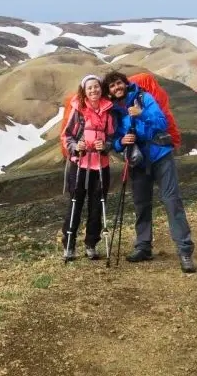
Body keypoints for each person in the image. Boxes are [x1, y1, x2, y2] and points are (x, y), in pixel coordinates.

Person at [103, 71, 197, 273]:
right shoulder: (115, 111)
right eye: (111, 86)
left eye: (118, 83)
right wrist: (121, 142)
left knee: (172, 201)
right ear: (109, 91)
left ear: (125, 83)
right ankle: (143, 247)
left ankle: (184, 251)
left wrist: (141, 113)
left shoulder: (143, 98)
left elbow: (161, 122)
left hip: (160, 155)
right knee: (141, 205)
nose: (116, 87)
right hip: (138, 161)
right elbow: (116, 139)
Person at [59, 74, 116, 260]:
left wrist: (105, 146)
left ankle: (91, 244)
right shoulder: (78, 109)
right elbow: (67, 136)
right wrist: (76, 147)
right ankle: (69, 245)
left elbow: (113, 138)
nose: (94, 90)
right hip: (80, 164)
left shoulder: (108, 110)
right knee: (75, 204)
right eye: (90, 87)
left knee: (97, 206)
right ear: (84, 90)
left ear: (101, 89)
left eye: (97, 87)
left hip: (100, 165)